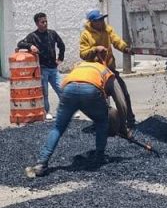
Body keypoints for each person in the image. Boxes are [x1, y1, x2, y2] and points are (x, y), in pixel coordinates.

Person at [25, 47, 122, 178]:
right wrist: (124, 127)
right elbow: (120, 102)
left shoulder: (79, 66)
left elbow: (78, 94)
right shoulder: (105, 70)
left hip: (68, 90)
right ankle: (100, 156)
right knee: (101, 121)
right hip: (90, 90)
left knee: (58, 127)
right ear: (104, 60)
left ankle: (41, 163)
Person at [78, 9, 135, 128]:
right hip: (95, 73)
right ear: (92, 22)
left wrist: (125, 49)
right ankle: (103, 122)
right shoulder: (86, 35)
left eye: (102, 19)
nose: (101, 21)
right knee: (98, 99)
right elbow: (83, 54)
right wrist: (95, 49)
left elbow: (116, 41)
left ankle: (129, 120)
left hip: (109, 69)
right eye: (99, 20)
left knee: (123, 94)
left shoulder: (107, 29)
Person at [15, 12, 65, 120]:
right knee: (44, 92)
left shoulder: (52, 33)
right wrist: (30, 45)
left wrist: (60, 59)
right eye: (42, 22)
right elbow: (20, 44)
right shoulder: (33, 36)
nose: (45, 23)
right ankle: (46, 111)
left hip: (53, 68)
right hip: (42, 69)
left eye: (46, 21)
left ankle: (66, 110)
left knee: (61, 89)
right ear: (37, 23)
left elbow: (61, 45)